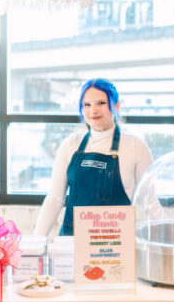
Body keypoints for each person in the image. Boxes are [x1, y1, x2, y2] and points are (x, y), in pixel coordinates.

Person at [34, 78, 153, 237]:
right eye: (87, 105)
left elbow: (149, 202)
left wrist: (169, 238)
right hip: (72, 242)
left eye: (101, 103)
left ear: (116, 106)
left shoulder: (136, 146)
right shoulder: (70, 145)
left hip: (115, 243)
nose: (93, 111)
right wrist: (35, 242)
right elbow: (54, 199)